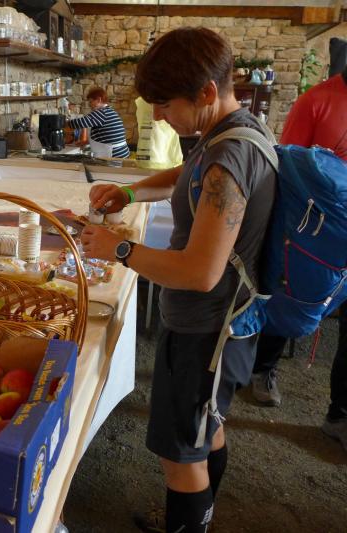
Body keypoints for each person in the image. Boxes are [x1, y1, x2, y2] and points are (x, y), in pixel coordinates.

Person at [80, 27, 276, 532]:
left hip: (206, 333)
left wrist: (120, 249)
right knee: (207, 429)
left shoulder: (229, 159)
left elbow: (199, 272)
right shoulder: (231, 131)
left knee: (180, 456)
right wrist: (129, 194)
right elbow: (186, 173)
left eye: (165, 105)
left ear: (206, 92)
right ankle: (195, 516)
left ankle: (188, 519)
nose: (160, 116)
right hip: (226, 326)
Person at [250, 64, 347, 452]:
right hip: (315, 234)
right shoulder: (316, 101)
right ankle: (263, 369)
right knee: (286, 296)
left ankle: (339, 414)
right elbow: (285, 169)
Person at [69, 87, 130, 158]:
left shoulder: (101, 113)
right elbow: (106, 135)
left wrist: (62, 122)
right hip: (122, 153)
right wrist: (86, 142)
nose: (89, 105)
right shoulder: (110, 111)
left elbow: (78, 123)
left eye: (90, 102)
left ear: (98, 100)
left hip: (114, 156)